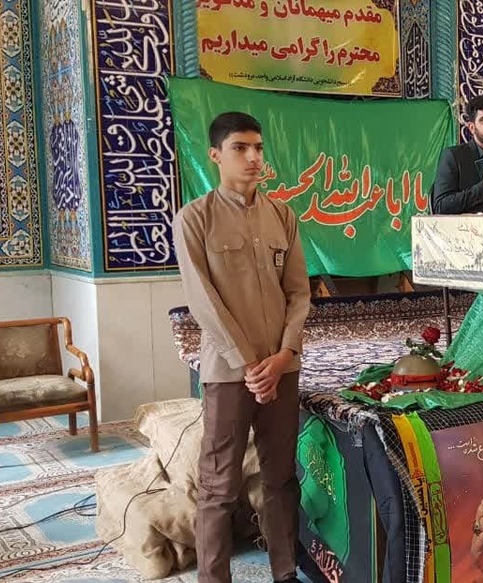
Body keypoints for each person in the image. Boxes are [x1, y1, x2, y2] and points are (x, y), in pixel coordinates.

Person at [174, 111, 311, 583]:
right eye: (240, 148)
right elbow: (203, 303)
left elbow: (299, 293)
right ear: (215, 155)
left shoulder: (282, 216)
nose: (253, 157)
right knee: (218, 487)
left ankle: (285, 572)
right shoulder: (195, 219)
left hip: (281, 370)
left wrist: (284, 356)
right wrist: (250, 365)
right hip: (230, 374)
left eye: (258, 147)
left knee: (280, 479)